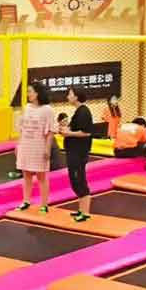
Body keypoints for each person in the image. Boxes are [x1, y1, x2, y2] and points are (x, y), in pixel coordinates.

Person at [15, 81, 54, 212]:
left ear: (37, 93)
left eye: (30, 91)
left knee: (41, 176)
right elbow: (22, 128)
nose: (28, 94)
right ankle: (26, 201)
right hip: (26, 145)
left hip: (39, 146)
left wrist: (47, 148)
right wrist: (18, 144)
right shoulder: (26, 107)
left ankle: (44, 204)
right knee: (26, 174)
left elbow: (50, 131)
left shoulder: (47, 110)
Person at [59, 87, 94, 221]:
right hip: (73, 151)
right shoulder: (78, 111)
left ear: (76, 96)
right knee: (75, 180)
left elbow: (86, 132)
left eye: (70, 94)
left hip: (79, 152)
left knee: (79, 179)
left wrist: (69, 133)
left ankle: (85, 212)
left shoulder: (84, 112)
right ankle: (81, 209)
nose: (68, 96)